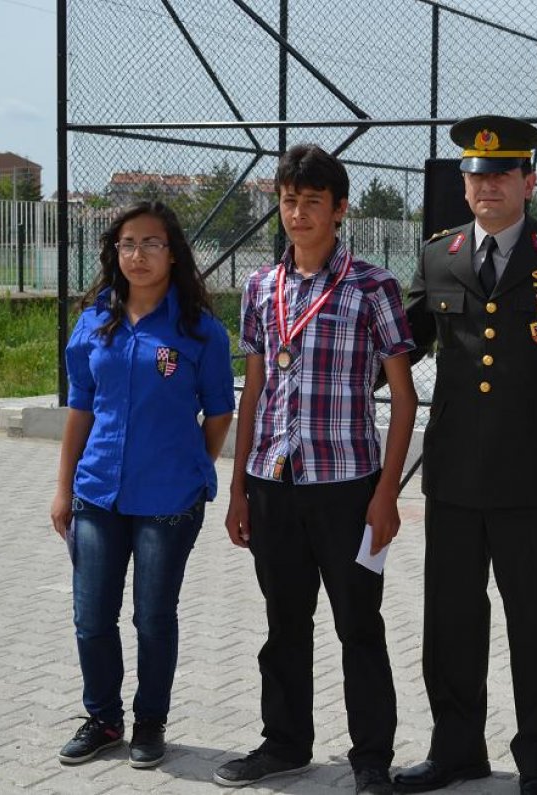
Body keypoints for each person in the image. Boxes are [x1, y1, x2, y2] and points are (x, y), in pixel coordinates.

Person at [393, 115, 537, 795]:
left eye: (503, 173)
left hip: (533, 475)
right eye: (477, 174)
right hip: (454, 473)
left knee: (535, 623)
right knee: (450, 621)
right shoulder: (439, 254)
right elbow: (406, 343)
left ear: (528, 181)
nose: (488, 185)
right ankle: (456, 750)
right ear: (463, 182)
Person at [213, 144, 417, 794]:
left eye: (312, 202)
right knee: (283, 622)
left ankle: (371, 759)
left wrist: (387, 493)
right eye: (288, 200)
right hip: (273, 483)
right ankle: (284, 743)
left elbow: (404, 398)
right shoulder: (259, 287)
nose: (298, 213)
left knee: (359, 625)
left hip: (348, 487)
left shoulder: (373, 287)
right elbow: (254, 391)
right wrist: (239, 487)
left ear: (339, 209)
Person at [51, 201, 235, 769]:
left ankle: (150, 721)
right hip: (97, 491)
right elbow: (81, 409)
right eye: (128, 244)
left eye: (151, 243)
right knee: (91, 616)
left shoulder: (199, 330)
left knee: (153, 617)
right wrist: (63, 488)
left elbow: (219, 412)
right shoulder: (94, 323)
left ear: (173, 253)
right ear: (115, 252)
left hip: (168, 500)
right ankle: (103, 719)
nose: (138, 255)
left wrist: (192, 465)